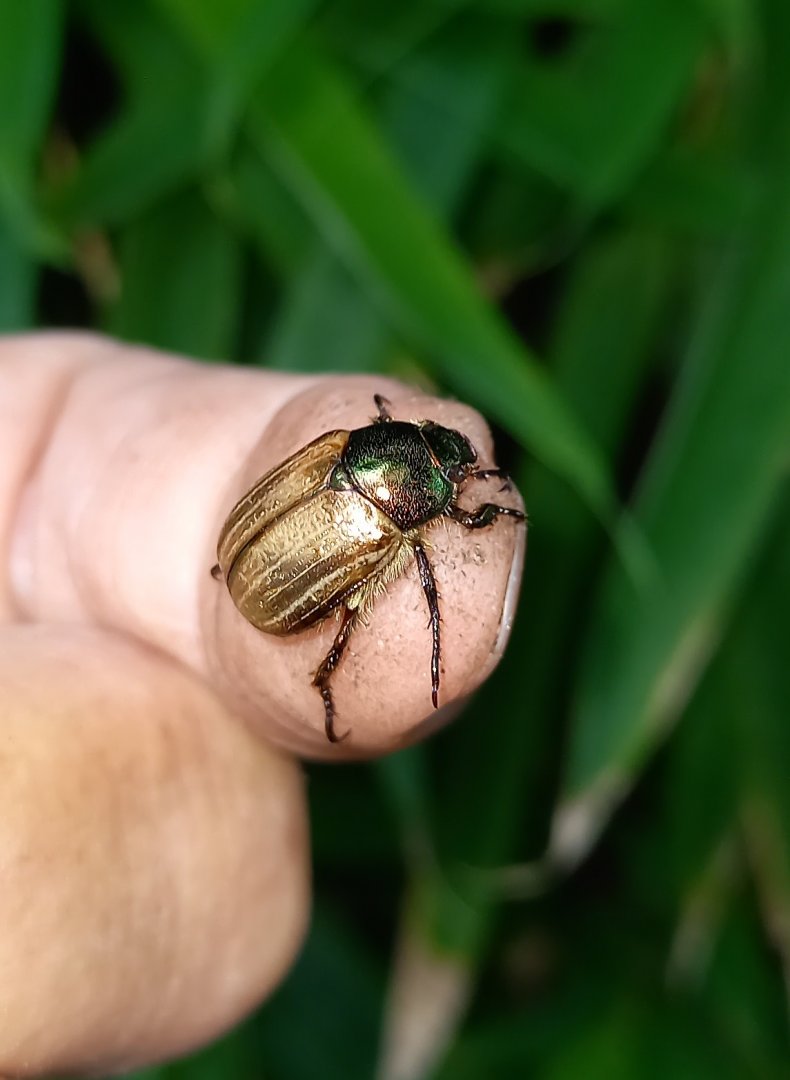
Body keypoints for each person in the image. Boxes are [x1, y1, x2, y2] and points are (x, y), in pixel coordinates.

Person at [0, 332, 523, 1075]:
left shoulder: (352, 451)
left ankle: (327, 685)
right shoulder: (392, 517)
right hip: (275, 562)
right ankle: (325, 684)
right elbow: (434, 594)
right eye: (442, 463)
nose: (456, 464)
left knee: (366, 623)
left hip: (264, 543)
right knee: (361, 623)